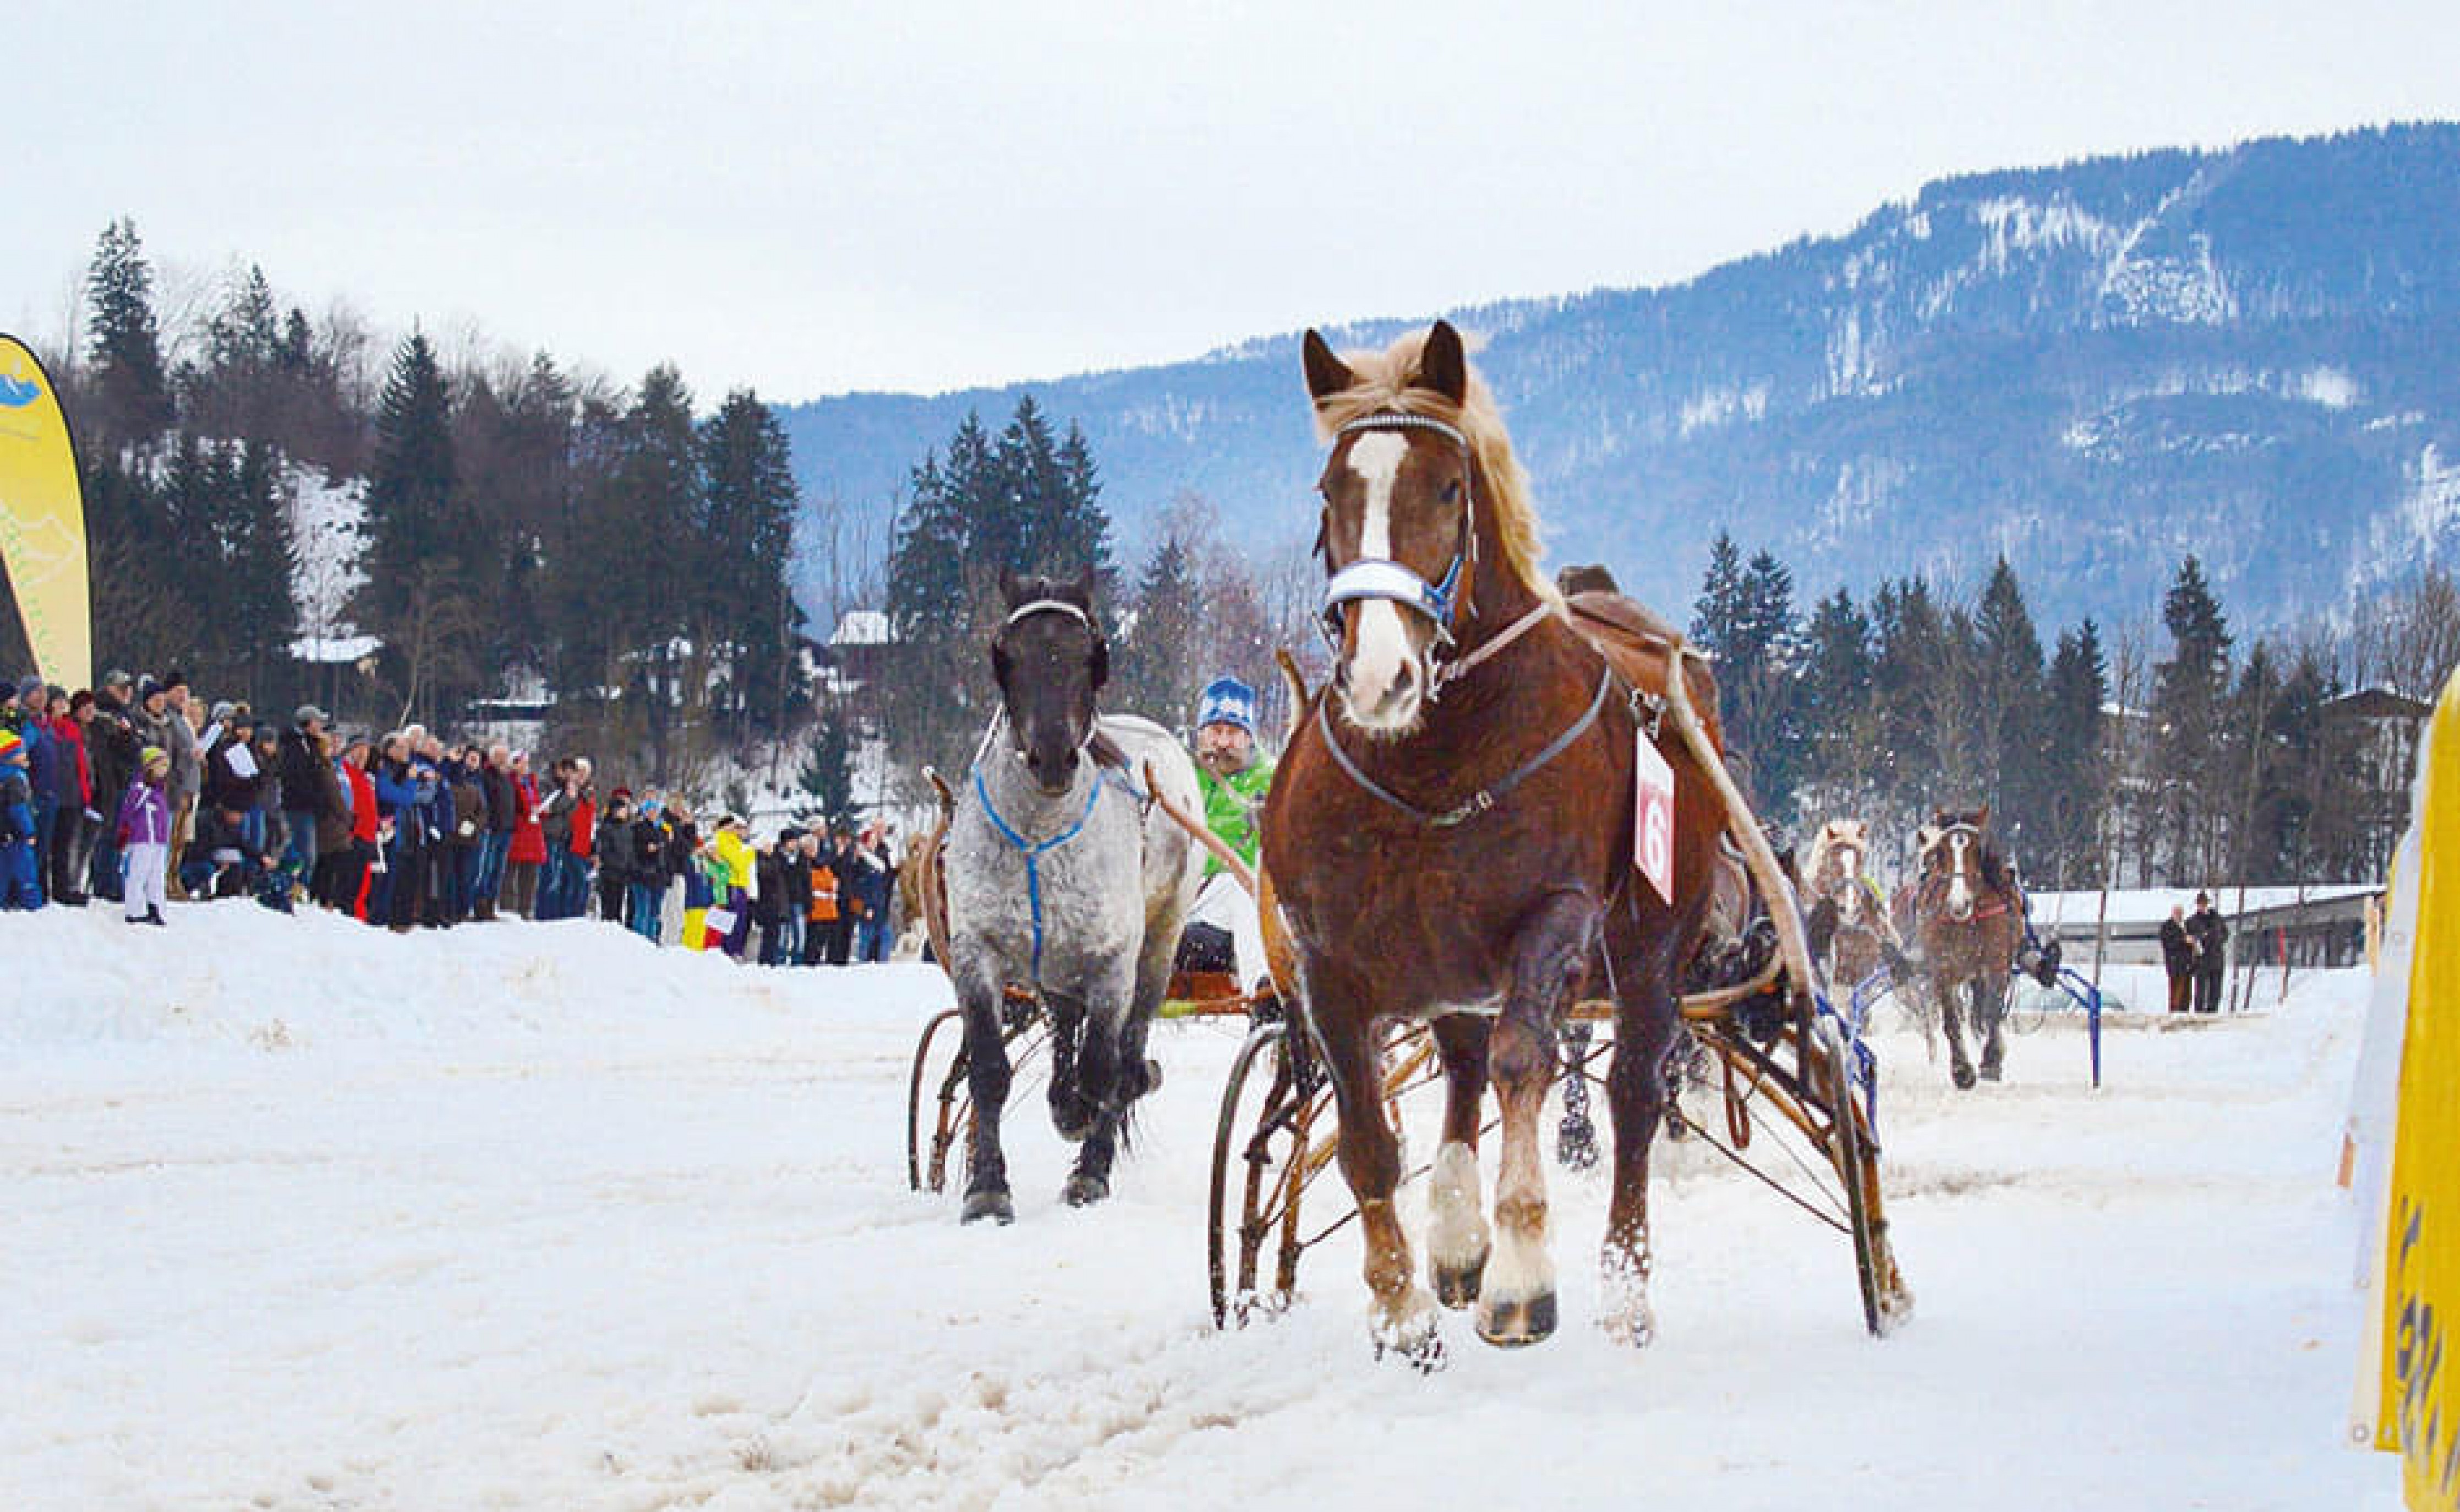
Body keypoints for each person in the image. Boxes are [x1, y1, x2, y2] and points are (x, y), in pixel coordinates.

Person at [1180, 675, 1276, 989]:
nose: (1222, 743)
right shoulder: (1179, 773)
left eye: (1233, 733)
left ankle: (1262, 988)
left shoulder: (1273, 779)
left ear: (1249, 737)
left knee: (1239, 886)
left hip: (1237, 907)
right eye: (1215, 731)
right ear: (1201, 734)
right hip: (1177, 898)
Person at [117, 745, 173, 925]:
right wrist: (125, 833)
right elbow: (128, 811)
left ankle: (155, 908)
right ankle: (132, 910)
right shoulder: (140, 789)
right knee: (138, 873)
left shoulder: (159, 791)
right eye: (161, 765)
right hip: (143, 838)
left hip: (159, 840)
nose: (165, 770)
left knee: (157, 875)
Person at [0, 728, 41, 910]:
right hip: (18, 834)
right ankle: (32, 905)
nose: (25, 754)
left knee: (3, 871)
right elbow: (19, 809)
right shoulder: (15, 778)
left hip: (5, 833)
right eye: (21, 751)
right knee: (27, 872)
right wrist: (29, 831)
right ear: (10, 755)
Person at [2185, 891, 2228, 1014]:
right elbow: (2189, 938)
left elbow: (2226, 934)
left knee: (2216, 989)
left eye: (2204, 904)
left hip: (2217, 958)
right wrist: (2200, 937)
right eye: (2200, 904)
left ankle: (2213, 1012)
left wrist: (2217, 939)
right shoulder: (2191, 921)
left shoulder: (2218, 919)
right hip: (2201, 959)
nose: (2202, 906)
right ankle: (2199, 1013)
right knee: (2200, 989)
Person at [2159, 903, 2194, 1015]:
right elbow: (2168, 943)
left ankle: (2185, 1012)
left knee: (2186, 992)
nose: (2180, 915)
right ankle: (2174, 1012)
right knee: (2176, 991)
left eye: (2181, 913)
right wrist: (2183, 940)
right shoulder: (2167, 926)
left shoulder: (2185, 926)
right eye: (2177, 913)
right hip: (2175, 963)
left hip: (2187, 963)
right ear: (2173, 913)